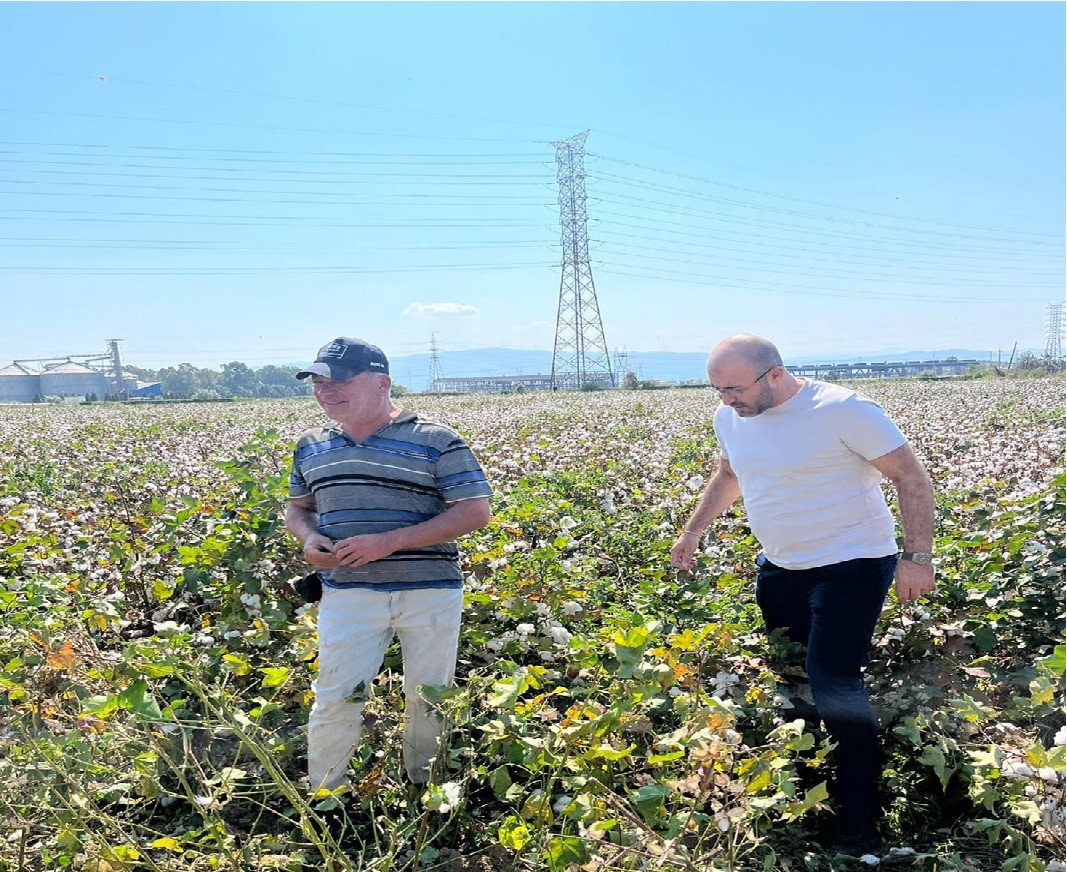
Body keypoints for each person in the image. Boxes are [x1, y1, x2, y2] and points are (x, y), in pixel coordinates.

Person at [670, 334, 935, 857]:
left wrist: (917, 557)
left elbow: (911, 476)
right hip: (781, 567)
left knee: (833, 681)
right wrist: (693, 530)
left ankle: (859, 820)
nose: (727, 400)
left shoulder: (842, 410)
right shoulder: (731, 419)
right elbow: (729, 475)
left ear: (775, 374)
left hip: (853, 564)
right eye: (718, 390)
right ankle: (806, 774)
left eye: (734, 389)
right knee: (792, 673)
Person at [285, 337, 492, 791]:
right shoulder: (311, 446)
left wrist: (390, 542)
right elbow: (299, 509)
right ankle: (326, 795)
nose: (325, 390)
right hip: (347, 591)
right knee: (336, 695)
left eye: (338, 380)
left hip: (429, 590)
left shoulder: (437, 440)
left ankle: (425, 787)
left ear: (383, 383)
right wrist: (310, 538)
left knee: (428, 696)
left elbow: (474, 511)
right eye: (317, 382)